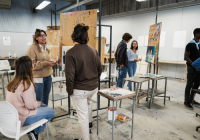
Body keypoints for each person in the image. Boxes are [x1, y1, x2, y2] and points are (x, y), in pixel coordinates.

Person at [65, 23, 102, 140]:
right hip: (93, 88)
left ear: (74, 36)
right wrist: (95, 81)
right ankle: (89, 125)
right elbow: (100, 69)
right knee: (89, 104)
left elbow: (69, 76)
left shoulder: (71, 52)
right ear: (86, 36)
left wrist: (70, 91)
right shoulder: (93, 50)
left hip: (80, 90)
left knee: (82, 117)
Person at [6, 56, 55, 140]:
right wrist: (38, 103)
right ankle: (35, 132)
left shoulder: (13, 81)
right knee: (51, 111)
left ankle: (33, 131)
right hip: (22, 118)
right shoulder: (26, 84)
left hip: (11, 117)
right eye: (32, 63)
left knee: (42, 106)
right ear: (29, 68)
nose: (33, 65)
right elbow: (30, 106)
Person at [27, 29, 60, 106]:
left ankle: (45, 114)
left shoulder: (47, 48)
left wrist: (53, 62)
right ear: (36, 38)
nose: (43, 37)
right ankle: (38, 115)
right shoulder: (32, 48)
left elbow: (46, 60)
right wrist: (46, 63)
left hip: (48, 76)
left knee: (46, 97)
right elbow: (32, 65)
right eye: (41, 35)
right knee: (38, 98)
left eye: (44, 35)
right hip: (38, 78)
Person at [184, 28, 200, 109]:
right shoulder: (190, 44)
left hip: (198, 68)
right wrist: (195, 65)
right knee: (190, 83)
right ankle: (186, 101)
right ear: (197, 34)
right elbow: (186, 57)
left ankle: (192, 99)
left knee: (197, 83)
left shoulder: (199, 44)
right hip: (191, 67)